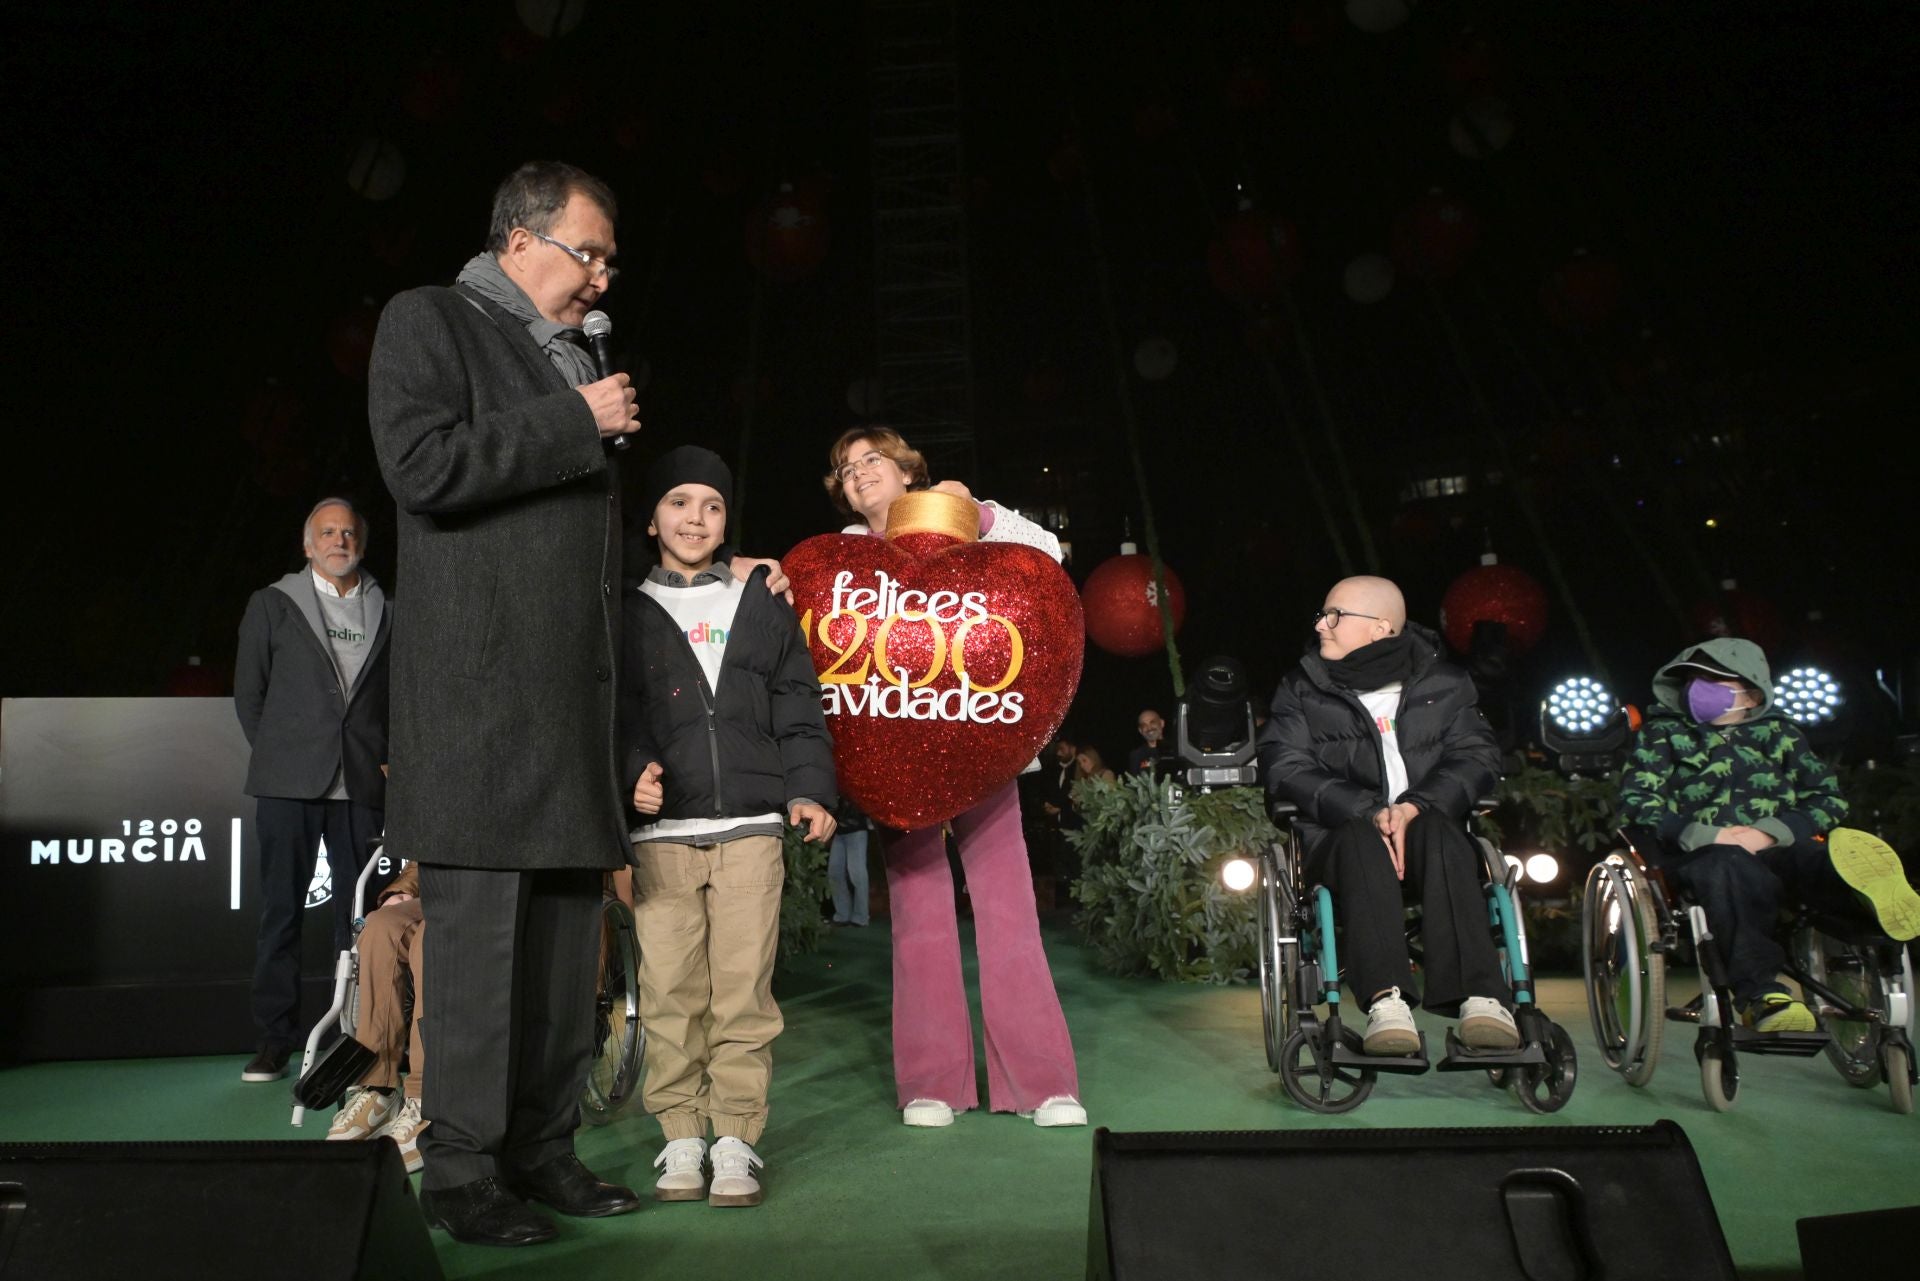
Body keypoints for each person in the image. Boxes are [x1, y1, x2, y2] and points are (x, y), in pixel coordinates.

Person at [367, 159, 647, 1246]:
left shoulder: (572, 352)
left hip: (568, 720)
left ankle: (543, 1149)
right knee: (478, 961)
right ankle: (461, 1173)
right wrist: (575, 420)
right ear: (519, 238)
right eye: (590, 252)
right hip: (480, 709)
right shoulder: (430, 319)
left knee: (561, 954)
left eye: (610, 260)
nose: (601, 278)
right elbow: (421, 466)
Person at [822, 426, 1086, 1128]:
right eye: (846, 470)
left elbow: (1047, 559)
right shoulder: (846, 557)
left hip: (982, 747)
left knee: (1008, 906)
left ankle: (1040, 1082)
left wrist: (981, 513)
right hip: (896, 756)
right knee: (918, 910)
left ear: (908, 470)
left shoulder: (966, 520)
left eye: (871, 459)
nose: (859, 474)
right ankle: (931, 1083)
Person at [618, 446, 837, 1208]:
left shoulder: (759, 599)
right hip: (662, 836)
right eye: (679, 502)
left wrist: (810, 789)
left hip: (753, 822)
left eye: (711, 506)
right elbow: (612, 716)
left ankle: (737, 1137)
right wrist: (630, 771)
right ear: (651, 518)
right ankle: (681, 1134)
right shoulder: (623, 608)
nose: (695, 518)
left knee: (744, 989)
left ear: (726, 521)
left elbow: (797, 700)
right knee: (673, 989)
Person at [1256, 575, 1518, 1057]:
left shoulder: (1447, 683)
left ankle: (1482, 999)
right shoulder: (1301, 688)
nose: (1321, 625)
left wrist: (1415, 806)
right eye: (1322, 614)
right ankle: (1386, 1002)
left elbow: (1478, 756)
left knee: (1440, 831)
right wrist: (1370, 811)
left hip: (1427, 835)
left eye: (1335, 616)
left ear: (1380, 628)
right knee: (1359, 837)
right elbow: (1284, 765)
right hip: (1340, 844)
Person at [1616, 638, 1919, 1029]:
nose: (1698, 689)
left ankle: (1875, 902)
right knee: (1729, 868)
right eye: (1694, 680)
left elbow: (1827, 799)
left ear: (1751, 694)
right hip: (1703, 854)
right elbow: (1637, 802)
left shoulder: (1783, 735)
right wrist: (1708, 835)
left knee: (1819, 859)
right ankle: (1762, 995)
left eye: (1715, 681)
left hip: (1777, 848)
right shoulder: (1663, 735)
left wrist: (1769, 834)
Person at [233, 498, 390, 1083]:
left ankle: (354, 1040)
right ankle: (275, 1041)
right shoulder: (272, 604)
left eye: (349, 532)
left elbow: (397, 699)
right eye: (327, 532)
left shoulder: (388, 608)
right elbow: (250, 696)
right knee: (281, 916)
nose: (339, 539)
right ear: (308, 546)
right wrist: (282, 756)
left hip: (362, 788)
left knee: (361, 926)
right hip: (288, 786)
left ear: (362, 544)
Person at [325, 863, 430, 1173]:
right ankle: (378, 1089)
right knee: (380, 926)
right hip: (440, 891)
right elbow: (425, 852)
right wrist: (403, 890)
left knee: (430, 937)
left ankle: (426, 1099)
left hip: (491, 891)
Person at [828, 797, 873, 927]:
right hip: (839, 831)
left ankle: (861, 917)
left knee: (857, 874)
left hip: (856, 829)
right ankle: (843, 914)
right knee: (834, 873)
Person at [1126, 709, 1165, 774]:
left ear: (1162, 723)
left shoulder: (1175, 749)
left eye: (1152, 722)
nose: (1149, 728)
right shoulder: (1136, 755)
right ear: (1140, 730)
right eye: (1144, 725)